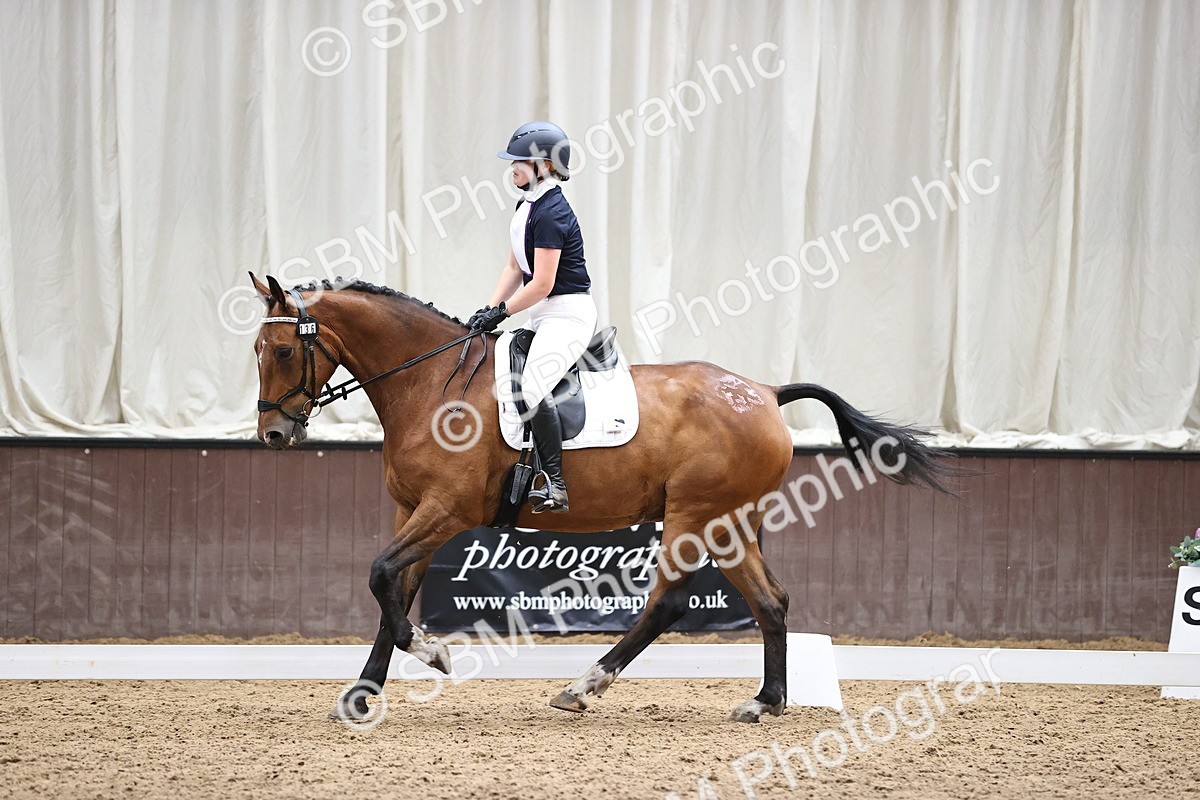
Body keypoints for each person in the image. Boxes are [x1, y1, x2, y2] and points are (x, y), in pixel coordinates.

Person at [468, 121, 596, 514]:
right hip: (541, 313)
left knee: (534, 387)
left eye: (520, 162)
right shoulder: (526, 206)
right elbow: (513, 267)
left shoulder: (552, 212)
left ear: (545, 165)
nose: (513, 168)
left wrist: (503, 312)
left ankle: (556, 484)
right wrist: (489, 308)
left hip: (567, 314)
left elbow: (542, 283)